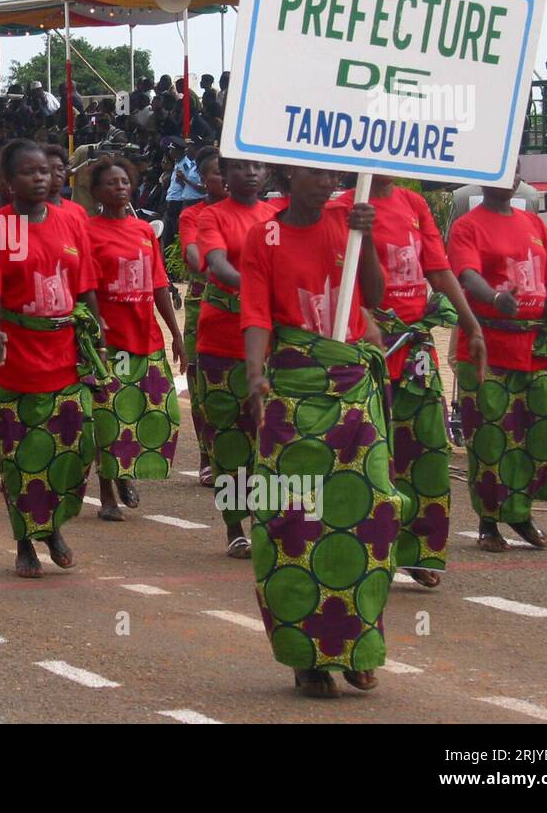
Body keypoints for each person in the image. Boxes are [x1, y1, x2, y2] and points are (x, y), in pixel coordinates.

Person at [240, 165, 390, 698]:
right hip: (295, 388)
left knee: (368, 511)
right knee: (293, 518)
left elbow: (374, 295)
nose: (326, 182)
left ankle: (357, 644)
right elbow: (256, 313)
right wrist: (256, 375)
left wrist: (366, 239)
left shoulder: (348, 222)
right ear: (287, 173)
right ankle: (306, 655)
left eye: (331, 173)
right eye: (313, 174)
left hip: (352, 388)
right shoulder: (266, 235)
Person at [0, 139, 108, 578]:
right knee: (20, 453)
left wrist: (98, 335)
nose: (40, 177)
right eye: (28, 172)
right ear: (8, 182)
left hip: (65, 351)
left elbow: (84, 281)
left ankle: (52, 524)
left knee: (74, 443)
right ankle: (27, 540)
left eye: (45, 170)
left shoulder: (72, 220)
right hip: (14, 352)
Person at [334, 176, 486, 588]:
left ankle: (420, 551)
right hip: (367, 350)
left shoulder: (414, 205)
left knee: (427, 450)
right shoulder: (343, 207)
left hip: (416, 350)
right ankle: (364, 549)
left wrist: (472, 326)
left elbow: (438, 271)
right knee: (368, 455)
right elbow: (336, 279)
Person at [447, 172, 547, 551]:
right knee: (491, 440)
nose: (511, 178)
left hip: (536, 346)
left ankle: (518, 509)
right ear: (484, 176)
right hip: (486, 347)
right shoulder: (468, 226)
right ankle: (490, 522)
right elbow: (466, 274)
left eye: (515, 170)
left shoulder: (531, 222)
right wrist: (495, 298)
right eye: (502, 170)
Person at [88, 156, 185, 520]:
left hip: (146, 337)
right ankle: (107, 491)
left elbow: (159, 283)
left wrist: (175, 333)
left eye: (125, 182)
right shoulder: (89, 232)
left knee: (159, 410)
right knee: (108, 416)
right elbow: (86, 287)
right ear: (96, 190)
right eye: (112, 183)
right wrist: (95, 327)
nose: (120, 187)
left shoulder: (145, 231)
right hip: (109, 341)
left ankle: (125, 470)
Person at [194, 158, 275, 558]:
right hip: (223, 341)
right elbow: (218, 265)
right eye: (241, 167)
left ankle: (267, 519)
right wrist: (258, 286)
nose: (251, 173)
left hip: (271, 343)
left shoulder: (277, 215)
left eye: (258, 167)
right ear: (225, 176)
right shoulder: (213, 216)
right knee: (229, 438)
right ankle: (234, 526)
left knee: (271, 437)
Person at [179, 147, 226, 486]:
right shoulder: (192, 215)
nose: (225, 178)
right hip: (204, 304)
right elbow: (195, 258)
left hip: (247, 306)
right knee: (201, 382)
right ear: (203, 179)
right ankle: (207, 454)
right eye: (218, 172)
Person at [44, 143, 89, 220]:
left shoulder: (77, 211)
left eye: (60, 169)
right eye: (50, 169)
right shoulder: (22, 212)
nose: (57, 173)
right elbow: (20, 232)